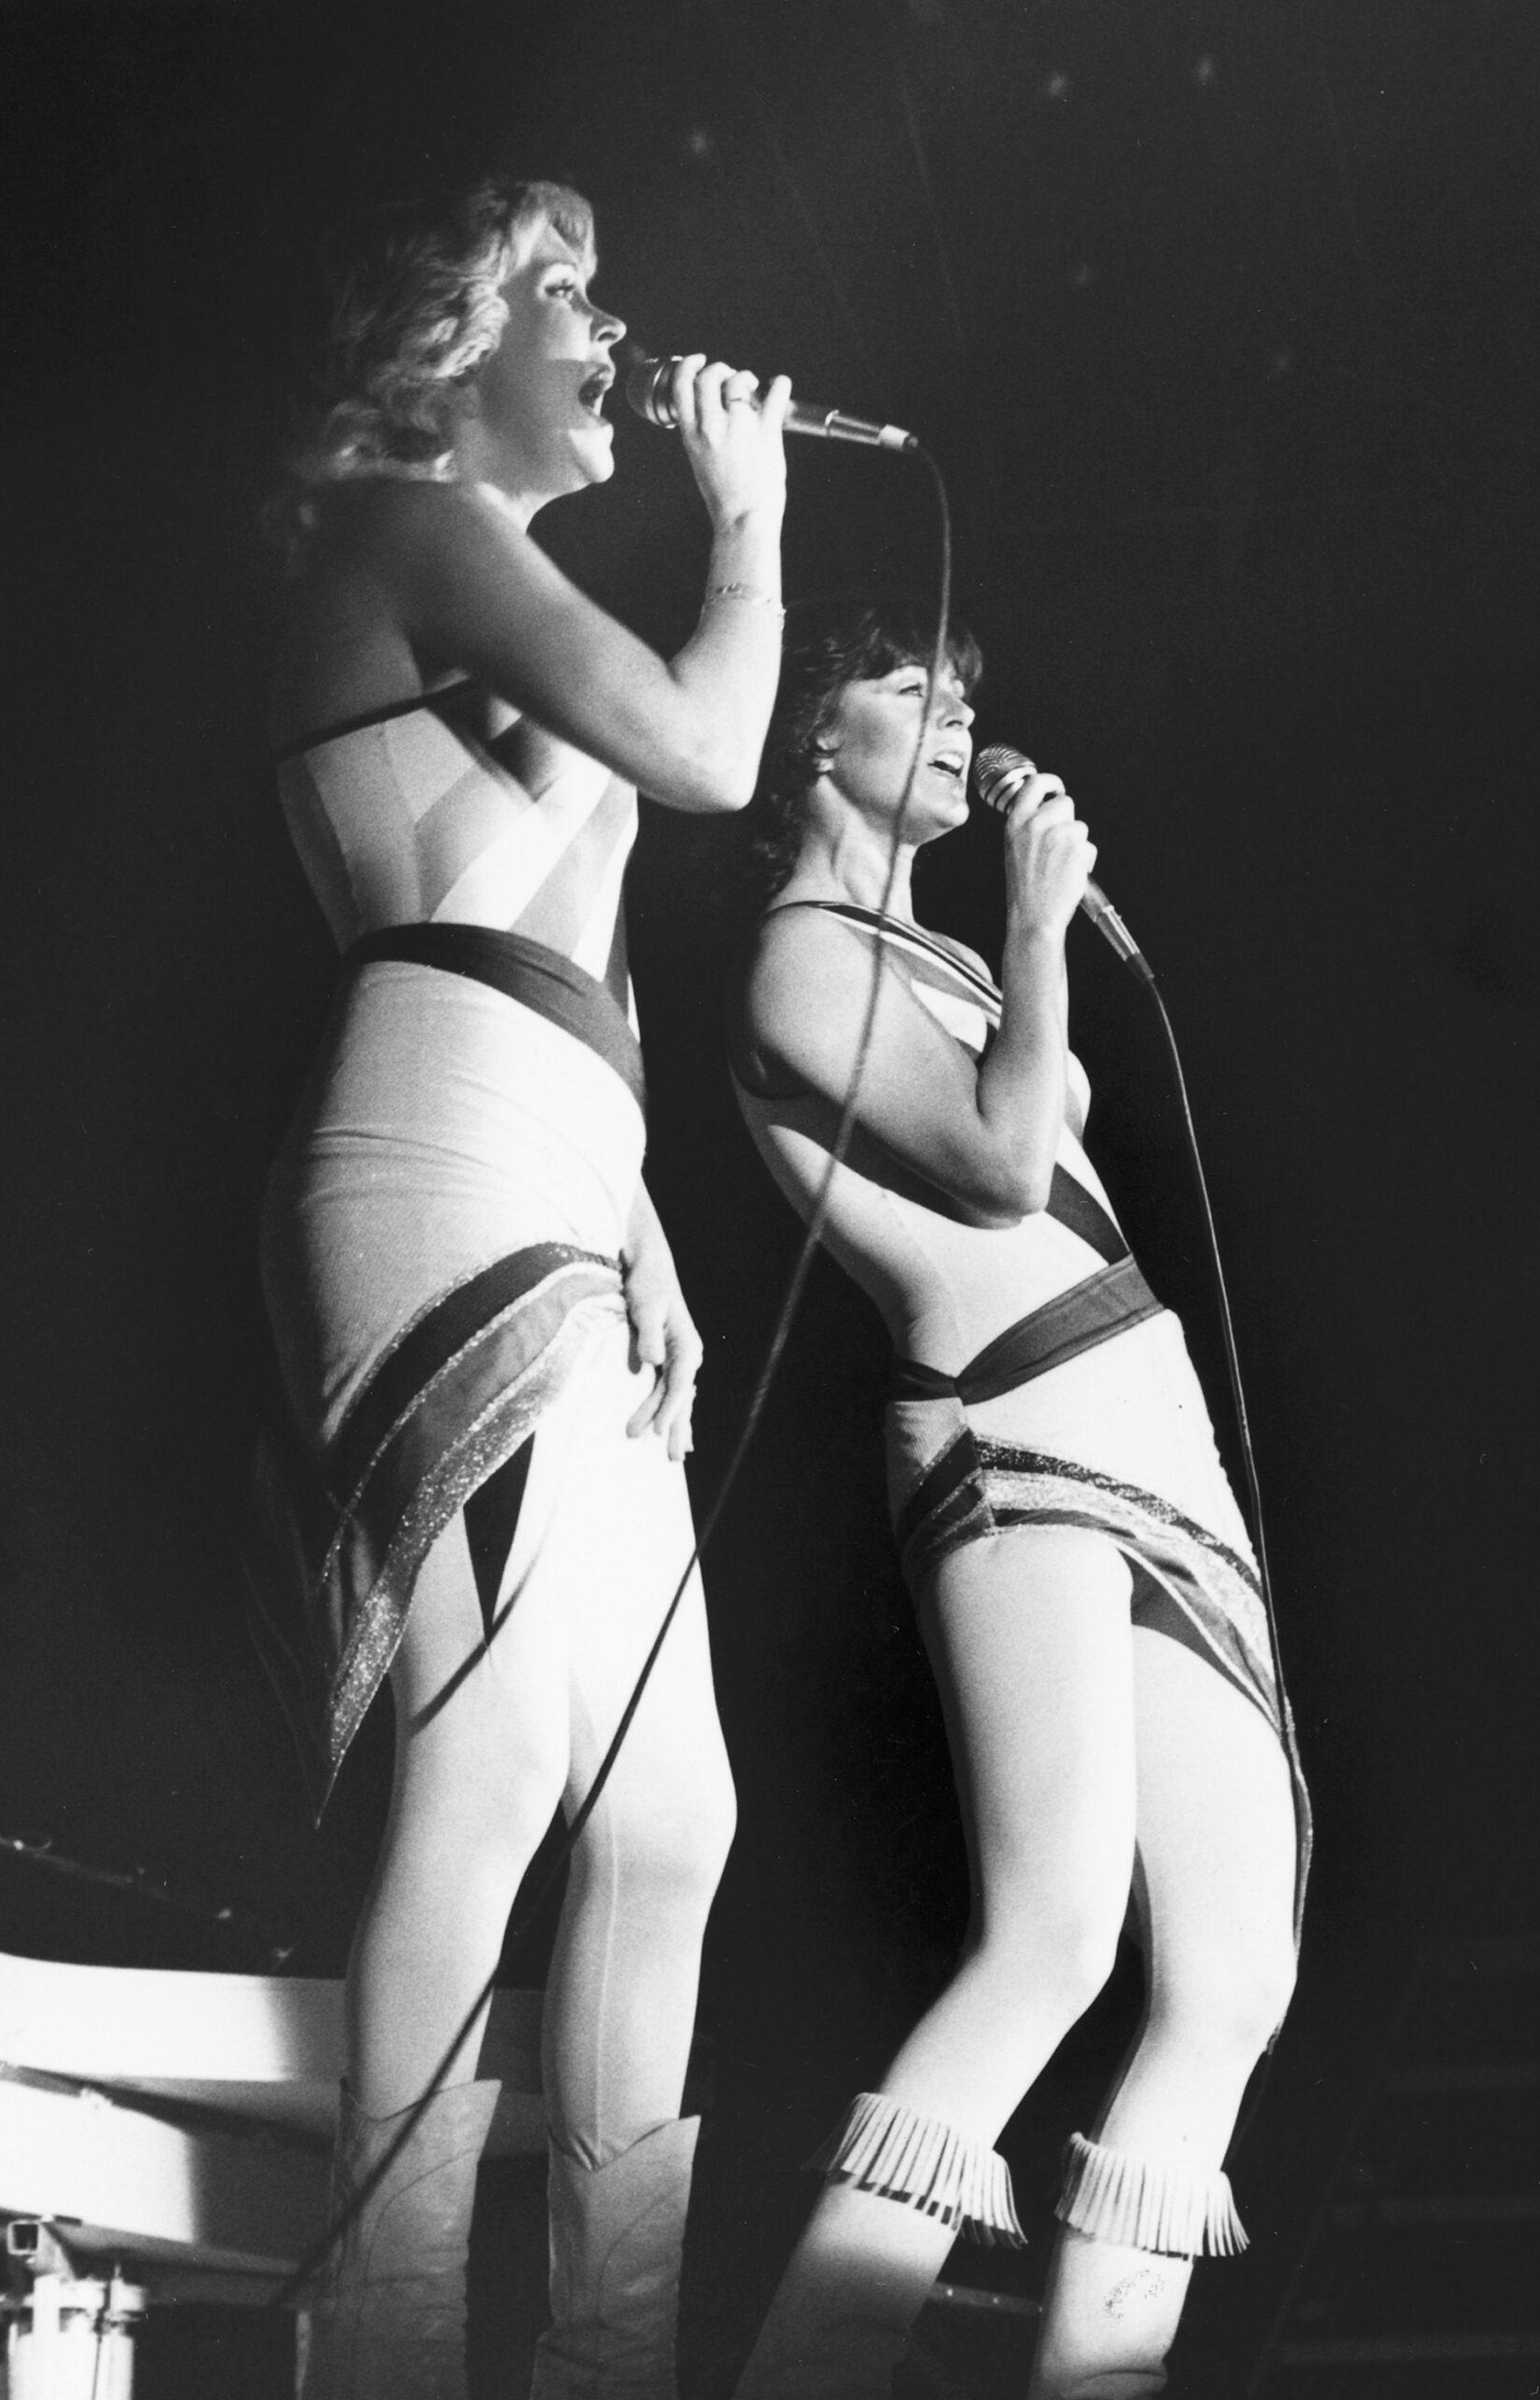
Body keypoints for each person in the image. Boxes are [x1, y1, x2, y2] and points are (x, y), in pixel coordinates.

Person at [249, 176, 790, 2398]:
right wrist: (747, 526)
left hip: (557, 1147)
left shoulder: (505, 568)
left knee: (671, 1806)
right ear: (450, 340)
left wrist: (651, 1215)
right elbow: (711, 749)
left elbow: (571, 920)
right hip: (446, 1144)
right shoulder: (407, 519)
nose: (613, 327)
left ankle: (605, 2358)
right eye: (561, 293)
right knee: (485, 1771)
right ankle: (383, 2353)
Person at [725, 596, 1308, 2397]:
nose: (961, 717)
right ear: (814, 736)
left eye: (971, 690)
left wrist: (1021, 948)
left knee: (1230, 1977)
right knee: (1053, 1930)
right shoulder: (801, 956)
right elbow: (990, 1171)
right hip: (1014, 1438)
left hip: (1156, 1449)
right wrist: (1041, 917)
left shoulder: (951, 965)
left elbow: (1023, 1108)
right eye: (915, 688)